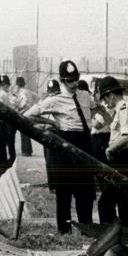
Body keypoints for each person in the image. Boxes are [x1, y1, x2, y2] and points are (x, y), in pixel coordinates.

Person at [24, 62, 96, 233]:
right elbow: (28, 115)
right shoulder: (54, 100)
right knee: (64, 191)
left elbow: (95, 108)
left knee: (85, 191)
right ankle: (64, 230)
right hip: (65, 145)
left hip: (85, 143)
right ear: (62, 81)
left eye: (76, 79)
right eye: (70, 81)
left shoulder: (85, 95)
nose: (74, 84)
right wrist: (50, 121)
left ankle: (87, 229)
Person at [96, 76, 128, 229]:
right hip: (124, 159)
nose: (105, 103)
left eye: (105, 99)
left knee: (106, 203)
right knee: (124, 203)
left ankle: (111, 237)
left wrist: (110, 149)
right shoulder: (126, 107)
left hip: (122, 159)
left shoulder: (123, 108)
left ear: (111, 95)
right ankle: (127, 236)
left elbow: (127, 136)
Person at [13, 77, 37, 156]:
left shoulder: (21, 92)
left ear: (17, 85)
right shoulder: (29, 91)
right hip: (30, 113)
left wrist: (19, 108)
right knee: (26, 132)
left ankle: (26, 151)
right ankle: (28, 150)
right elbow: (37, 98)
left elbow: (23, 103)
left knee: (24, 132)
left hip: (24, 113)